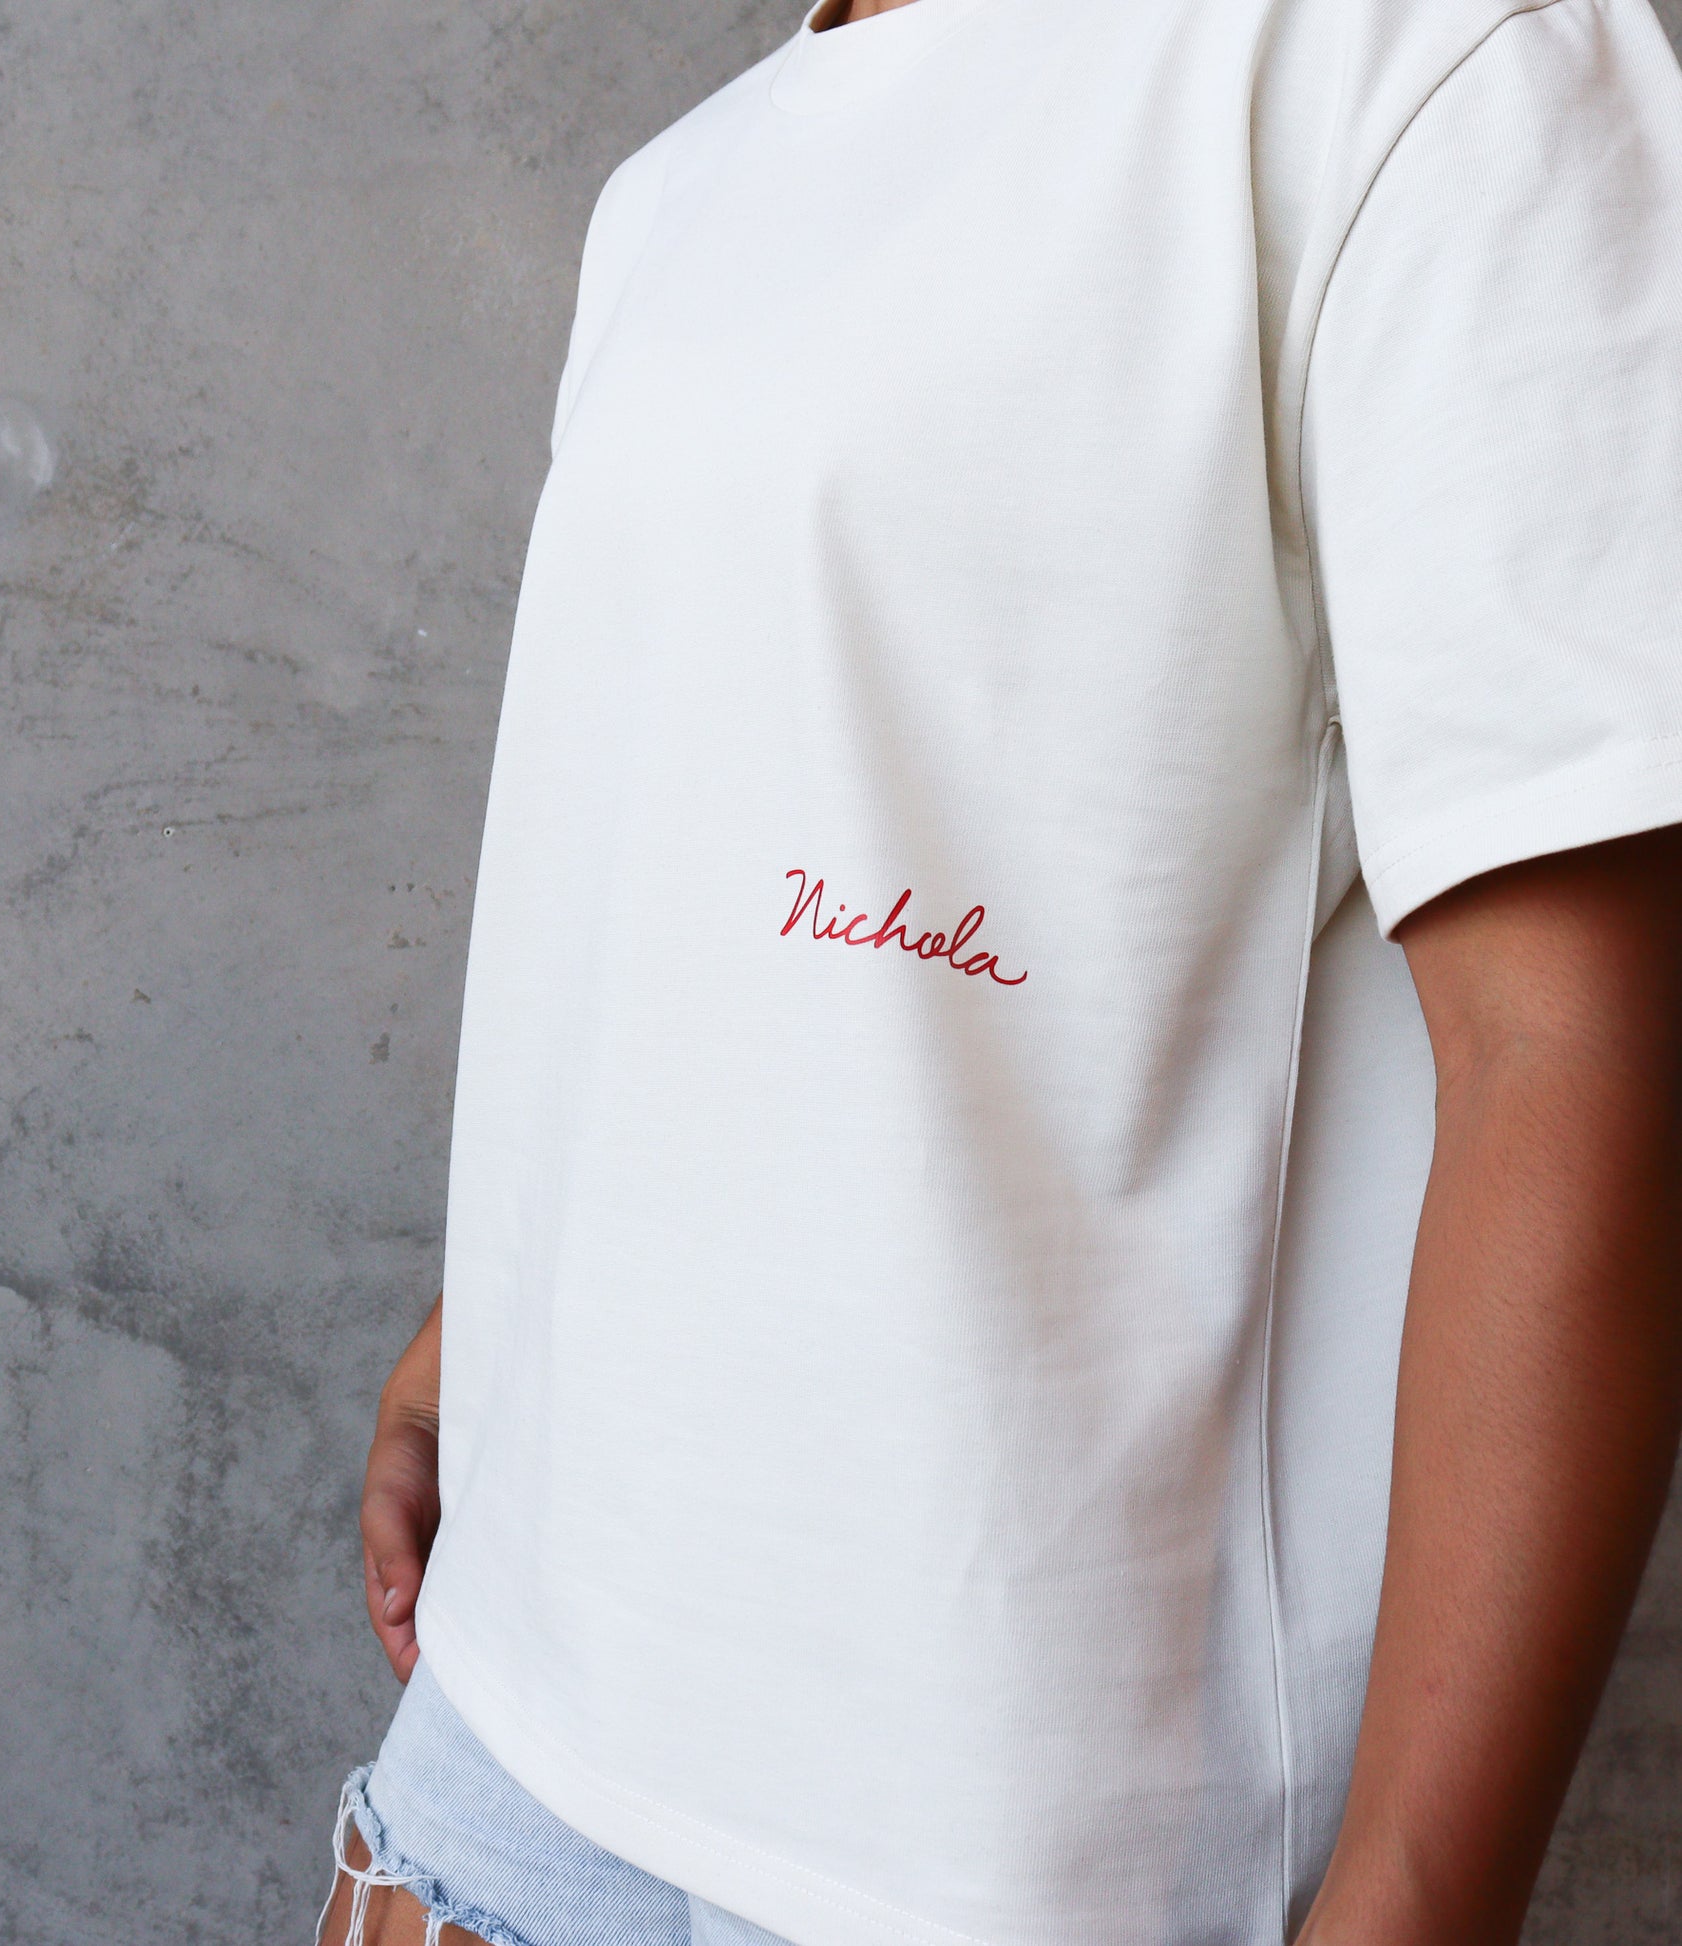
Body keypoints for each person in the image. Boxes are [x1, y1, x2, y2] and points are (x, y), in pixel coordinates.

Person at [317, 0, 1682, 1935]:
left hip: (1010, 1829)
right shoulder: (687, 181)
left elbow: (1578, 1056)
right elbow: (712, 835)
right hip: (524, 1706)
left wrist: (1410, 1906)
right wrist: (500, 1336)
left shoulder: (1431, 62)